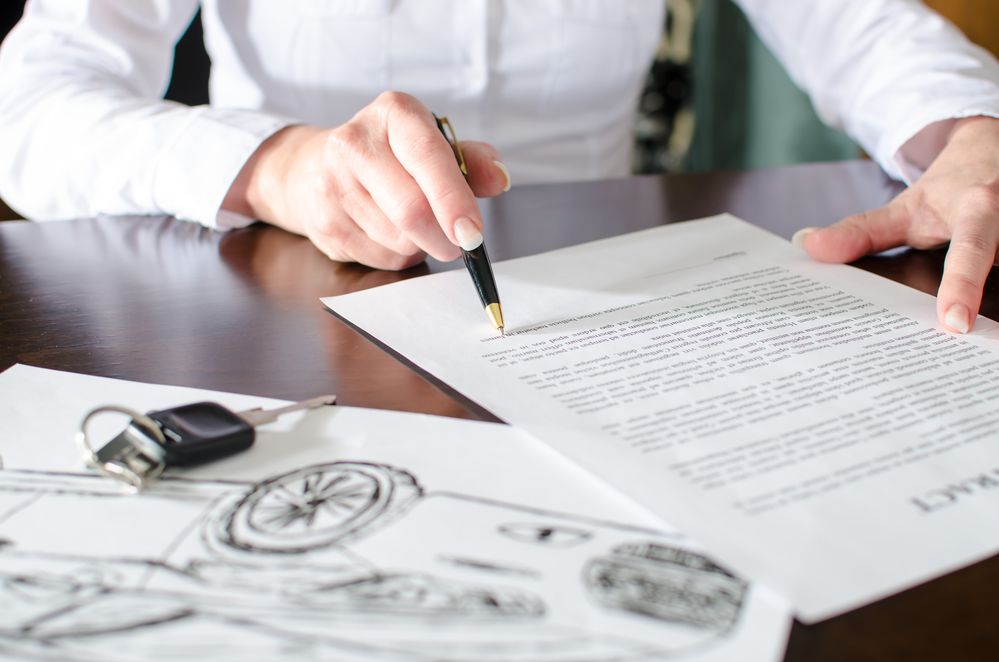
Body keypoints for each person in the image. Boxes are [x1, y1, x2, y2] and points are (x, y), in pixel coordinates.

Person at [0, 0, 996, 334]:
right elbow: (30, 105)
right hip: (288, 311)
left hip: (611, 311)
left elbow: (861, 29)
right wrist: (275, 167)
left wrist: (973, 131)